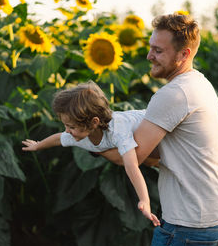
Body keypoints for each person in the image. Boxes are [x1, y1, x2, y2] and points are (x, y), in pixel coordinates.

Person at [98, 13, 218, 246]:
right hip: (209, 213)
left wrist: (90, 142)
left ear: (184, 54)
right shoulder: (199, 83)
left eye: (158, 51)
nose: (149, 56)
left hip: (187, 222)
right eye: (150, 48)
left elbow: (132, 157)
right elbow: (161, 154)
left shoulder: (174, 94)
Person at [21, 81, 160, 227]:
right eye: (66, 126)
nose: (67, 130)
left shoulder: (118, 131)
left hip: (155, 122)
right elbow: (58, 138)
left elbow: (131, 167)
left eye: (71, 126)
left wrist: (144, 200)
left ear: (94, 122)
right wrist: (38, 145)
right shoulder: (81, 134)